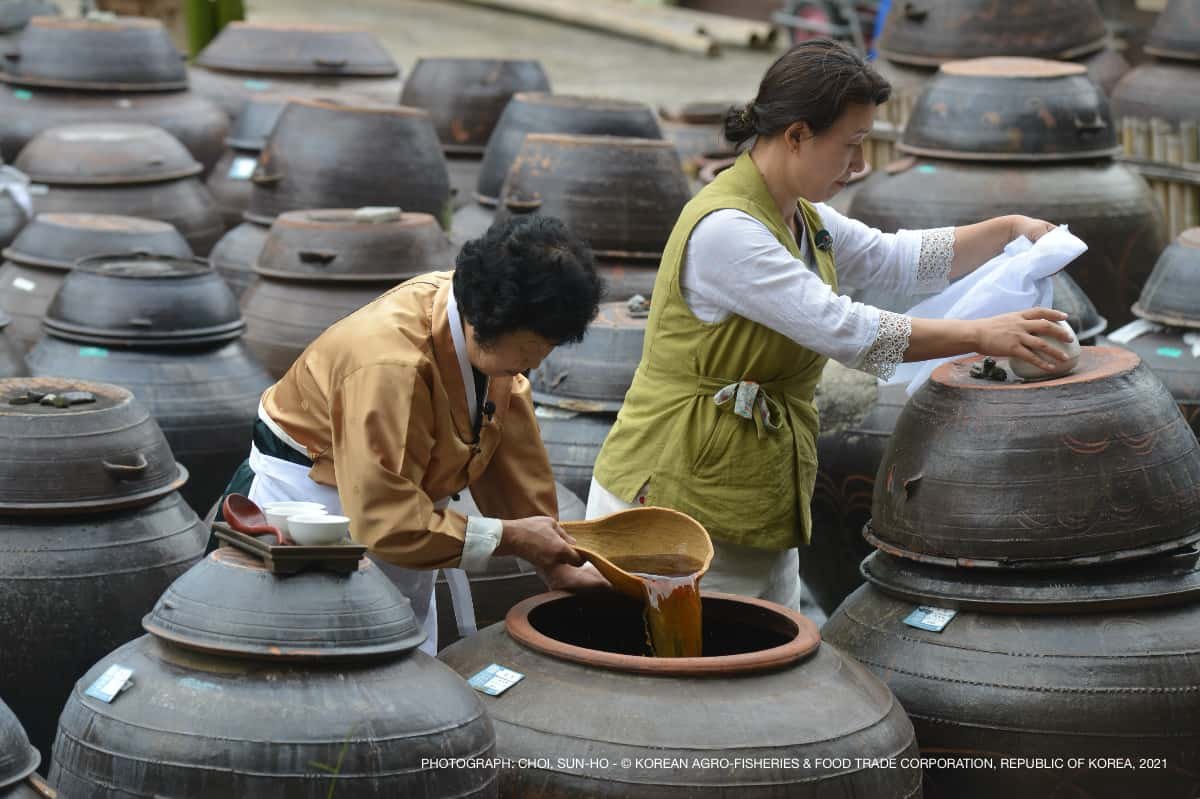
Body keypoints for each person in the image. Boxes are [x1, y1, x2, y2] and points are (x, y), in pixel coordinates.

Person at [587, 39, 1074, 609]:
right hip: (676, 498)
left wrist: (1007, 229)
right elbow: (847, 330)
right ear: (797, 135)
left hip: (744, 486)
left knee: (760, 665)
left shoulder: (801, 217)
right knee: (695, 678)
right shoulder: (727, 231)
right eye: (852, 146)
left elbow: (898, 259)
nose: (859, 167)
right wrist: (981, 335)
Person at [225, 215, 608, 653]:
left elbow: (505, 440)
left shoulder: (481, 323)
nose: (533, 367)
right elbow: (385, 521)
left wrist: (552, 557)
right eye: (528, 351)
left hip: (403, 510)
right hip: (317, 506)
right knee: (324, 659)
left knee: (401, 655)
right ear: (487, 322)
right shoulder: (389, 364)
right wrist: (510, 537)